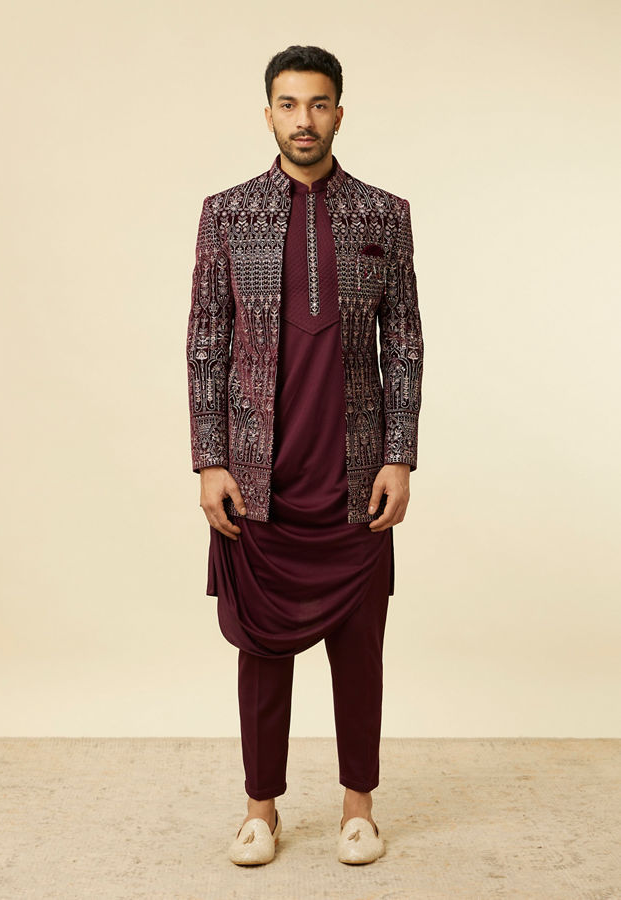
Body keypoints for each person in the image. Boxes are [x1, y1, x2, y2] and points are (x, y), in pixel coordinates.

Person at [186, 44, 423, 866]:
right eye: (288, 105)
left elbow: (406, 342)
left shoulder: (384, 214)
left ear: (339, 114)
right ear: (268, 115)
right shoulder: (227, 213)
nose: (304, 120)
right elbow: (206, 343)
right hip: (259, 477)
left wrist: (399, 456)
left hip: (355, 476)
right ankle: (261, 811)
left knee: (360, 650)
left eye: (318, 104)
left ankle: (359, 809)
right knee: (261, 651)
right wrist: (210, 460)